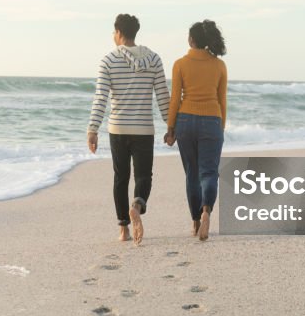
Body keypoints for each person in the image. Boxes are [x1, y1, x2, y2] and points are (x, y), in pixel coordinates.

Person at [88, 14, 170, 244]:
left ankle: (123, 229)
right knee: (144, 176)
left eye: (114, 32)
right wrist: (170, 125)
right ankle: (137, 204)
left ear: (119, 33)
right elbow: (163, 96)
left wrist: (93, 128)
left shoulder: (108, 60)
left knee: (120, 178)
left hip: (118, 129)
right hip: (143, 129)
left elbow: (100, 98)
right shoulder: (154, 59)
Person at [164, 20, 227, 241]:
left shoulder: (180, 64)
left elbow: (175, 101)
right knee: (209, 172)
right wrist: (221, 126)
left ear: (191, 40)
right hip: (212, 120)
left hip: (186, 121)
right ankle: (207, 210)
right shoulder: (219, 66)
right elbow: (222, 100)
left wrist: (170, 128)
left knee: (192, 174)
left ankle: (196, 222)